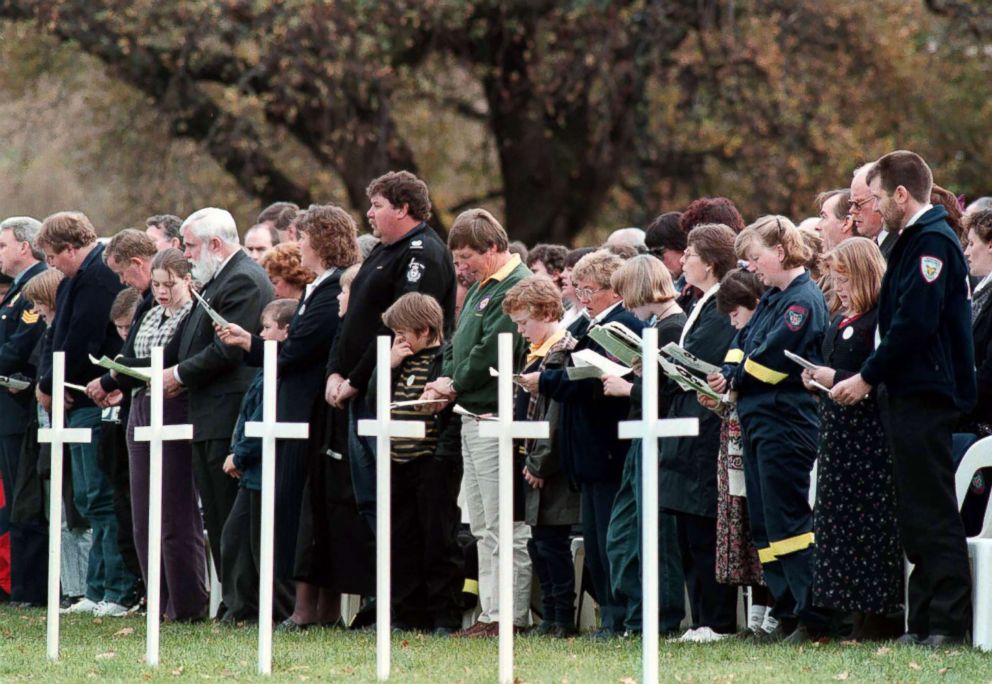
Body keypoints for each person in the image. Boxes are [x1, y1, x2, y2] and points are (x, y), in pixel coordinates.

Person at [832, 151, 975, 647]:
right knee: (914, 511)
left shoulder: (932, 242)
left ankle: (947, 623)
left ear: (899, 194)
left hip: (925, 393)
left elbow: (915, 323)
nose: (870, 208)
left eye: (872, 198)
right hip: (907, 391)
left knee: (933, 509)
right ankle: (923, 620)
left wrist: (867, 377)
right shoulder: (911, 240)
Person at [218, 203, 360, 629]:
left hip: (307, 413)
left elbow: (299, 350)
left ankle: (307, 611)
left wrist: (250, 345)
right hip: (293, 410)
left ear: (322, 241)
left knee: (302, 512)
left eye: (303, 237)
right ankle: (302, 609)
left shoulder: (333, 286)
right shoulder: (319, 287)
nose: (297, 245)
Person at [711, 215, 830, 643]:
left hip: (785, 423)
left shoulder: (802, 300)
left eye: (756, 257)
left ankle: (813, 615)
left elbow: (771, 362)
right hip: (759, 422)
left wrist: (737, 374)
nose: (751, 267)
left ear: (780, 252)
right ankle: (785, 611)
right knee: (764, 523)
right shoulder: (772, 298)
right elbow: (743, 345)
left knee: (789, 521)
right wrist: (731, 367)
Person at [420, 208, 532, 637]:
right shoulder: (483, 286)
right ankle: (489, 612)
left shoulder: (515, 287)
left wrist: (454, 384)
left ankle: (510, 615)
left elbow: (490, 351)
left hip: (495, 414)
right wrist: (443, 379)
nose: (459, 266)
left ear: (494, 248)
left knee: (506, 525)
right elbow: (456, 342)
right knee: (482, 525)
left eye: (467, 255)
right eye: (456, 257)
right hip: (470, 413)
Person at [520, 249, 644, 638]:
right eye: (580, 290)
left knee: (610, 538)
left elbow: (589, 381)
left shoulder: (619, 326)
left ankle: (618, 615)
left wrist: (547, 381)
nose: (583, 299)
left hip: (607, 447)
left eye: (590, 291)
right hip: (588, 453)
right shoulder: (591, 325)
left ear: (613, 290)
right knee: (595, 537)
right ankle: (610, 613)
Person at [325, 171, 455, 534]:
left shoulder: (422, 255)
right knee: (366, 502)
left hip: (391, 392)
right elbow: (351, 319)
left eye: (377, 205)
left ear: (403, 209)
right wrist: (334, 371)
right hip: (360, 390)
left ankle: (391, 589)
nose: (369, 213)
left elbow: (398, 328)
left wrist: (355, 379)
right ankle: (376, 589)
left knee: (388, 505)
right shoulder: (383, 250)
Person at [168, 207, 274, 619]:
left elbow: (228, 350)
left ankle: (243, 605)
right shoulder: (214, 281)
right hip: (207, 412)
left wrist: (178, 374)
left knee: (231, 517)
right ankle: (231, 601)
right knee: (216, 513)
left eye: (191, 246)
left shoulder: (243, 280)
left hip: (228, 411)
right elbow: (187, 341)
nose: (187, 255)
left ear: (215, 244)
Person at [36, 211, 140, 616]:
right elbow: (55, 336)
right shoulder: (70, 282)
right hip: (70, 398)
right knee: (85, 497)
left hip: (91, 401)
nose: (50, 265)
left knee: (101, 496)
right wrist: (47, 382)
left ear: (71, 248)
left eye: (52, 256)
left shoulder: (98, 278)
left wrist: (58, 383)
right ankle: (96, 588)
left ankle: (116, 588)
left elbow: (83, 339)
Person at [800, 238, 901, 639]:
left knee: (867, 526)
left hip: (868, 438)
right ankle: (846, 614)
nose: (838, 287)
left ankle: (873, 618)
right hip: (837, 432)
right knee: (838, 526)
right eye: (834, 279)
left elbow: (879, 376)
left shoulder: (879, 319)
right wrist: (816, 378)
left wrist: (837, 378)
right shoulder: (842, 316)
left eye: (844, 278)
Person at [658, 224, 740, 642]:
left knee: (706, 528)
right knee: (688, 531)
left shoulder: (723, 303)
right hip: (687, 422)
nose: (682, 260)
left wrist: (672, 365)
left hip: (706, 426)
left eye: (689, 253)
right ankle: (700, 618)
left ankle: (718, 620)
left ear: (709, 262)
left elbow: (707, 358)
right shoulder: (698, 303)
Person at [116, 248, 208, 622]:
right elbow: (125, 356)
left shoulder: (192, 314)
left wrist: (125, 368)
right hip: (140, 404)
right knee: (144, 512)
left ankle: (185, 603)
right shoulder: (149, 313)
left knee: (174, 510)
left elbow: (169, 358)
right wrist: (121, 369)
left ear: (188, 280)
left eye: (170, 284)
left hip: (173, 405)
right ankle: (158, 597)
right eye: (156, 284)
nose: (162, 292)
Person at [601, 255, 686, 637]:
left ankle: (657, 618)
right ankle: (635, 614)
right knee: (622, 533)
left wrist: (629, 388)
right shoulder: (657, 326)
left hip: (658, 438)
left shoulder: (672, 326)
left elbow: (668, 391)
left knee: (653, 532)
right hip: (641, 435)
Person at [368, 292, 462, 633]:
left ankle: (443, 614)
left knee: (438, 539)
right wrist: (388, 365)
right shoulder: (399, 360)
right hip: (397, 460)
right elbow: (372, 400)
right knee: (401, 539)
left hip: (431, 460)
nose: (399, 340)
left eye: (404, 332)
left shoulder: (443, 359)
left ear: (426, 330)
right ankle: (407, 614)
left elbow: (451, 410)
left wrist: (441, 457)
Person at [502, 276, 580, 638]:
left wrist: (539, 464)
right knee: (537, 543)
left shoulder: (560, 353)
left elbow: (555, 416)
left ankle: (561, 616)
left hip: (551, 468)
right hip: (530, 461)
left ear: (548, 312)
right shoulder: (534, 353)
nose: (520, 331)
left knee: (553, 544)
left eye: (523, 323)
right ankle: (549, 614)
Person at [218, 299, 300, 625]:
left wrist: (240, 453)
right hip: (252, 471)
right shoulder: (266, 367)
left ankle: (278, 612)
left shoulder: (284, 371)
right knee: (236, 540)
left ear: (287, 331)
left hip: (267, 469)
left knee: (265, 545)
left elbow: (265, 414)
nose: (261, 334)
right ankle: (242, 609)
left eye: (267, 328)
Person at [702, 269, 771, 636]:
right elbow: (731, 369)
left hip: (757, 433)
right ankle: (757, 609)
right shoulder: (743, 334)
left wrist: (732, 382)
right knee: (746, 526)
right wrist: (717, 385)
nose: (733, 323)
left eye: (735, 314)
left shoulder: (764, 328)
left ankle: (773, 606)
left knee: (764, 521)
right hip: (734, 436)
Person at [0, 216, 47, 606]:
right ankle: (20, 585)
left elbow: (18, 347)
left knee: (25, 497)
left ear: (24, 247)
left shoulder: (35, 288)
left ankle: (30, 586)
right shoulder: (16, 291)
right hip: (8, 410)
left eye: (3, 245)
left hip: (20, 408)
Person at [960, 208, 992, 533]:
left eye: (971, 243)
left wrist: (959, 401)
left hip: (983, 425)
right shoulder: (982, 291)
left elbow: (988, 370)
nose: (967, 251)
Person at [849, 164, 892, 259]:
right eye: (851, 203)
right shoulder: (871, 250)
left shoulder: (903, 245)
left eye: (858, 203)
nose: (852, 210)